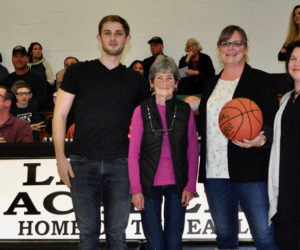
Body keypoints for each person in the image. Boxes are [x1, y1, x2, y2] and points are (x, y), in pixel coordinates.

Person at [52, 15, 150, 250]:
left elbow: (147, 125)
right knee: (88, 237)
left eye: (118, 33)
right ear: (99, 37)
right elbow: (60, 116)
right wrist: (60, 158)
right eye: (107, 32)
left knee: (117, 236)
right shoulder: (77, 72)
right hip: (82, 163)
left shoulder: (136, 80)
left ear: (127, 39)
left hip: (121, 164)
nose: (113, 38)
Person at [197, 25, 279, 249]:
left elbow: (273, 123)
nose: (230, 48)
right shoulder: (211, 83)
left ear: (246, 48)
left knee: (264, 235)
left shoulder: (261, 80)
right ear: (218, 49)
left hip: (251, 170)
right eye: (225, 43)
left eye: (236, 43)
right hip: (215, 172)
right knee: (224, 236)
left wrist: (261, 140)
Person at [128, 56, 198, 250]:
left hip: (178, 184)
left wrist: (190, 185)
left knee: (174, 244)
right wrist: (136, 189)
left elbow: (192, 150)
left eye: (169, 78)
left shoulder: (186, 111)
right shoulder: (140, 110)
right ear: (151, 82)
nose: (164, 83)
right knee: (156, 245)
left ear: (176, 83)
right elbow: (133, 153)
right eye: (159, 77)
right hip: (148, 185)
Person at [269, 41, 300, 250]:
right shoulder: (287, 99)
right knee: (285, 241)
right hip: (287, 190)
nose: (296, 63)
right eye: (293, 58)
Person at [1, 45, 47, 112]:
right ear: (12, 59)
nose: (18, 59)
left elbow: (42, 102)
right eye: (16, 57)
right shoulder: (5, 81)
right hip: (12, 119)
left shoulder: (38, 78)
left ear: (27, 59)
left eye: (21, 56)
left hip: (34, 118)